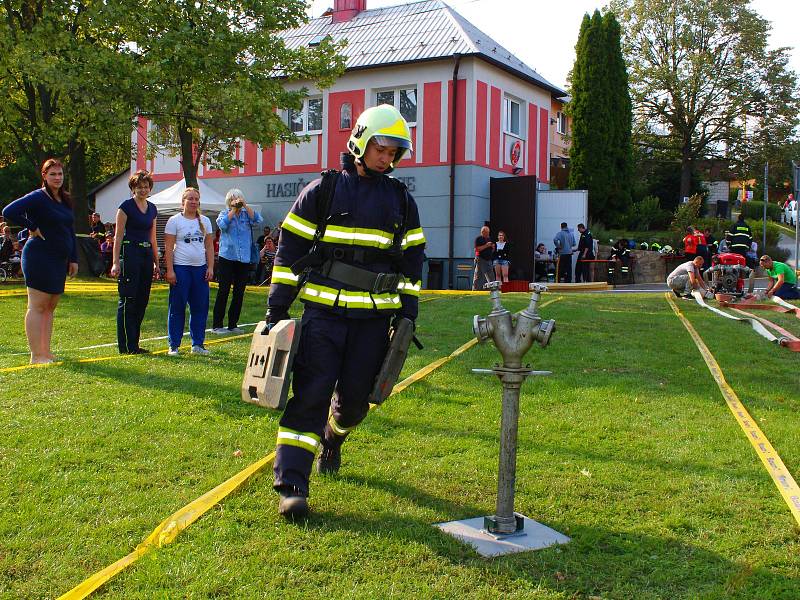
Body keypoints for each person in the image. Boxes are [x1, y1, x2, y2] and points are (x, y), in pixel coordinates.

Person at [266, 104, 425, 520]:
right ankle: (292, 486)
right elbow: (290, 250)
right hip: (324, 317)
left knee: (354, 404)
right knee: (311, 397)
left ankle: (333, 439)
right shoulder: (323, 190)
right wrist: (276, 307)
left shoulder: (401, 201)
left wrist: (407, 314)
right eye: (382, 148)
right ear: (360, 139)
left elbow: (412, 262)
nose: (387, 158)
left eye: (394, 152)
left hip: (374, 323)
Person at [2, 158, 79, 363]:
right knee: (38, 305)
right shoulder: (37, 197)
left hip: (59, 258)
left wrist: (73, 258)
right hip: (39, 256)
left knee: (51, 305)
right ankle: (36, 355)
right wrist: (31, 226)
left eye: (60, 174)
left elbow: (70, 230)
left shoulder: (65, 199)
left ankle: (46, 351)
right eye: (52, 174)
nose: (57, 177)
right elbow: (8, 211)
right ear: (44, 176)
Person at [111, 170, 159, 355]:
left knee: (142, 300)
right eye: (139, 187)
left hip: (146, 253)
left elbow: (153, 238)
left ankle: (135, 344)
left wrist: (156, 262)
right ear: (133, 188)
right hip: (130, 252)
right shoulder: (125, 207)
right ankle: (126, 347)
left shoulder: (153, 208)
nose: (143, 189)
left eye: (146, 186)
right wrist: (116, 262)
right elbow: (118, 236)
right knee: (128, 299)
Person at [164, 187, 215, 355]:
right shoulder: (174, 221)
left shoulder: (205, 221)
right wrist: (170, 270)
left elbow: (209, 246)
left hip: (200, 270)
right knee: (177, 307)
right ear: (183, 202)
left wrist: (210, 267)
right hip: (181, 269)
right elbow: (169, 247)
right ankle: (174, 345)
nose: (193, 202)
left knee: (200, 307)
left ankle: (198, 344)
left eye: (196, 199)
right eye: (190, 199)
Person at [211, 189, 263, 334]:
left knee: (239, 292)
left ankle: (233, 324)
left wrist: (245, 206)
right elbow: (222, 225)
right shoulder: (224, 213)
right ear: (229, 201)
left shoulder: (247, 214)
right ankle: (217, 325)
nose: (237, 200)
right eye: (233, 198)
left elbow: (259, 220)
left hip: (244, 258)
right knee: (224, 290)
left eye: (239, 197)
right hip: (227, 257)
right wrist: (233, 210)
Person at [472, 225, 494, 290]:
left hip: (489, 259)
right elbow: (476, 249)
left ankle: (491, 289)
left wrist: (492, 248)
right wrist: (486, 245)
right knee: (479, 275)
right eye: (487, 232)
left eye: (488, 232)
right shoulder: (478, 239)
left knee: (490, 275)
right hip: (481, 259)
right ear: (483, 232)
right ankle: (476, 289)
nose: (488, 234)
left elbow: (491, 250)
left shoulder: (489, 238)